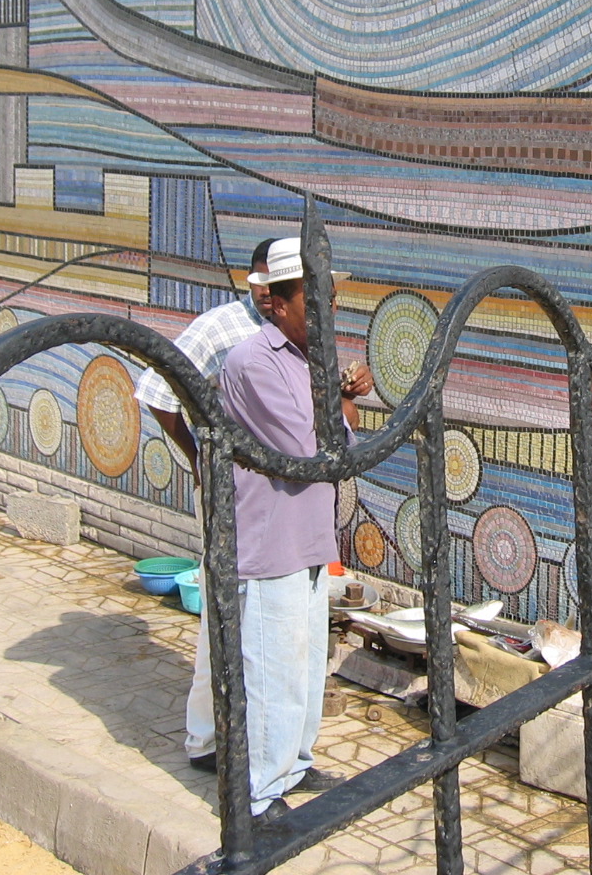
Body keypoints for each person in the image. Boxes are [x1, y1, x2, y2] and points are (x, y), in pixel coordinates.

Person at [219, 235, 373, 822]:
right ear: (276, 305)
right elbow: (308, 449)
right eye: (316, 302)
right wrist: (338, 401)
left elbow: (343, 441)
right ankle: (260, 796)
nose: (329, 314)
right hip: (271, 543)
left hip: (309, 538)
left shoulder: (310, 360)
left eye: (332, 301)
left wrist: (341, 397)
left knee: (306, 670)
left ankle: (295, 768)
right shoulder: (252, 361)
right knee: (273, 676)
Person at [134, 238, 278, 773]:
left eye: (278, 285)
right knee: (224, 608)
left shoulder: (293, 329)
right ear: (249, 280)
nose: (267, 295)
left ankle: (255, 735)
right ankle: (205, 739)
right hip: (229, 490)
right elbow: (155, 390)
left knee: (262, 615)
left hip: (275, 497)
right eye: (260, 284)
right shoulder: (221, 327)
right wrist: (197, 458)